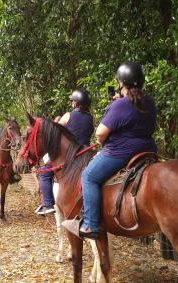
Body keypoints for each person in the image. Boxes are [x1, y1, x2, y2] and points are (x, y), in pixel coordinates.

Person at [62, 62, 157, 239]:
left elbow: (100, 134)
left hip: (120, 153)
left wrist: (115, 108)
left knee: (88, 176)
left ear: (122, 83)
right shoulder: (150, 102)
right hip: (148, 150)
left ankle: (90, 224)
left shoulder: (120, 105)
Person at [35, 89, 94, 215]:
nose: (72, 103)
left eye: (73, 101)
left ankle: (48, 204)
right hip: (86, 153)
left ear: (77, 103)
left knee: (45, 174)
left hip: (69, 153)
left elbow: (55, 130)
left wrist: (56, 121)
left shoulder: (68, 115)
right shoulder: (90, 118)